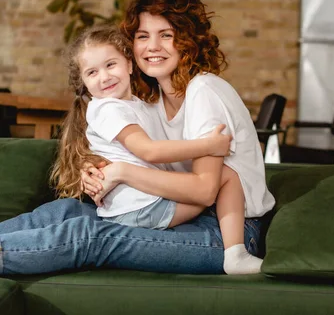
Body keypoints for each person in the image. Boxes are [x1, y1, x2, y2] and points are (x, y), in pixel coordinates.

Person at [0, 0, 275, 277]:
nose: (152, 46)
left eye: (166, 35)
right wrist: (97, 171)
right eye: (143, 36)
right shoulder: (153, 101)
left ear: (188, 41)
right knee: (66, 211)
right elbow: (136, 151)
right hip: (177, 212)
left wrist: (121, 172)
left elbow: (206, 191)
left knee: (90, 235)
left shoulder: (204, 92)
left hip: (225, 231)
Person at [52, 23, 231, 232]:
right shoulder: (108, 109)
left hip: (140, 204)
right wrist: (209, 146)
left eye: (111, 65)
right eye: (92, 72)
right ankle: (234, 247)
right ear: (84, 83)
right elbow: (150, 151)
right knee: (223, 179)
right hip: (143, 207)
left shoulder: (137, 105)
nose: (105, 76)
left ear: (129, 65)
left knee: (214, 183)